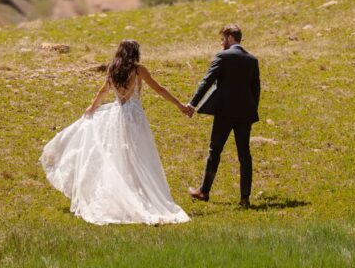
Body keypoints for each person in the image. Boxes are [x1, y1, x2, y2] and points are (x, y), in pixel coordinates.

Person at [40, 39, 190, 225]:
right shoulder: (138, 70)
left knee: (120, 156)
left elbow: (102, 92)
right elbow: (159, 89)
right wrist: (180, 105)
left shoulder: (112, 70)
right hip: (134, 117)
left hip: (118, 116)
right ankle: (136, 194)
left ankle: (125, 193)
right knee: (138, 156)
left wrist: (92, 107)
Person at [185, 23, 260, 207]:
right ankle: (245, 198)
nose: (221, 43)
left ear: (230, 37)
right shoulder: (252, 60)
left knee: (215, 152)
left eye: (222, 39)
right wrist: (251, 111)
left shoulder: (223, 56)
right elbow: (256, 89)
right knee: (245, 155)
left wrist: (192, 104)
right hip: (245, 115)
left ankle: (204, 191)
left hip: (224, 113)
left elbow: (207, 81)